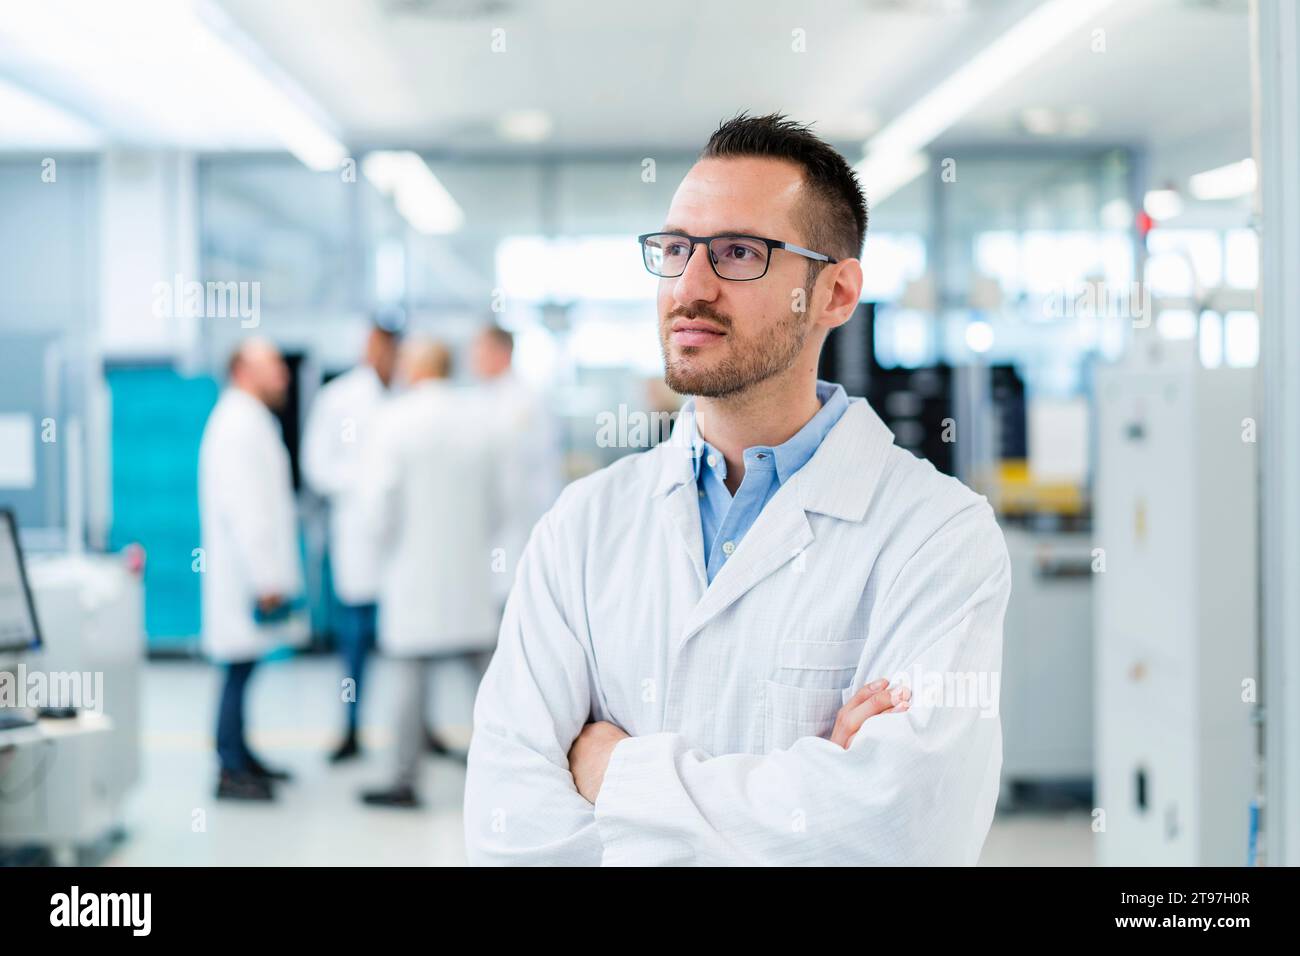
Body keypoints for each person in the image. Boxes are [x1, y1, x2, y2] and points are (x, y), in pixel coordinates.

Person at [464, 113, 1008, 865]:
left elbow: (906, 828)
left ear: (836, 293)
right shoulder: (582, 526)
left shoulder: (939, 534)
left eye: (740, 253)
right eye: (676, 250)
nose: (690, 287)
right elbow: (507, 825)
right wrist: (806, 790)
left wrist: (615, 772)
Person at [358, 338, 503, 808]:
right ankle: (506, 771)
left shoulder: (394, 421)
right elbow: (499, 505)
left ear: (416, 367)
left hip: (412, 573)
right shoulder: (480, 423)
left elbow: (378, 506)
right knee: (490, 683)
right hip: (467, 573)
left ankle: (404, 778)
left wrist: (377, 549)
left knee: (407, 680)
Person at [199, 338, 306, 801]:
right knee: (237, 667)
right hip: (245, 575)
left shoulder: (249, 420)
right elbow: (246, 508)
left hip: (252, 570)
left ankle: (240, 752)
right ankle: (229, 766)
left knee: (244, 665)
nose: (283, 375)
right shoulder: (237, 424)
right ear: (244, 370)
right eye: (273, 367)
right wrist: (266, 578)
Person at [301, 321, 399, 762]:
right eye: (380, 345)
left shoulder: (407, 397)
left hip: (402, 542)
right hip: (358, 539)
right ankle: (351, 728)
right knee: (355, 644)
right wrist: (362, 486)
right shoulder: (338, 397)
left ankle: (421, 730)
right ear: (368, 345)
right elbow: (316, 466)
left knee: (414, 643)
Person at [469, 324, 563, 611]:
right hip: (495, 517)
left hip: (524, 513)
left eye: (481, 351)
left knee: (519, 593)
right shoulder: (482, 398)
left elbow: (531, 461)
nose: (475, 359)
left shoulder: (526, 400)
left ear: (502, 353)